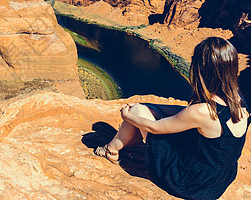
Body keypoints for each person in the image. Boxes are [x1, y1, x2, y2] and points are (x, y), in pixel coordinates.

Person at [95, 37, 250, 200]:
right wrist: (149, 105)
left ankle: (111, 150)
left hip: (189, 181)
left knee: (138, 112)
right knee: (143, 109)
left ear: (202, 69)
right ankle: (121, 148)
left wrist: (128, 115)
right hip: (216, 181)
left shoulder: (202, 111)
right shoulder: (239, 101)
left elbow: (155, 128)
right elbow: (184, 111)